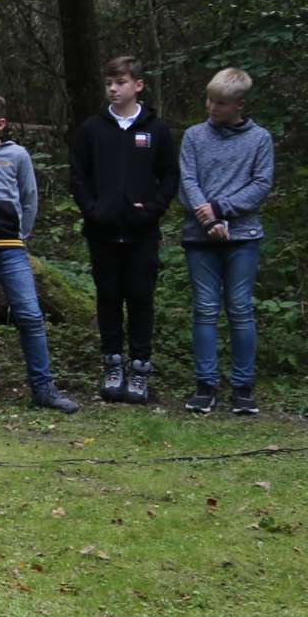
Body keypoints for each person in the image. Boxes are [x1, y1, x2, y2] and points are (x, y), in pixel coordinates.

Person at [0, 92, 79, 415]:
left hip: (10, 247)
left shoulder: (17, 156)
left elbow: (29, 197)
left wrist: (21, 234)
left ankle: (43, 387)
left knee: (30, 315)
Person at [69, 56, 177, 404]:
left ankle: (140, 367)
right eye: (109, 83)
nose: (113, 89)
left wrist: (153, 210)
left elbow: (170, 175)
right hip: (102, 230)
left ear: (138, 85)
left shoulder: (155, 129)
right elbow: (78, 176)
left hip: (142, 232)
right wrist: (93, 209)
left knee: (141, 297)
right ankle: (112, 366)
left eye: (120, 82)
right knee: (109, 297)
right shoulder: (92, 129)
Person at [178, 68, 274, 415]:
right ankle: (205, 386)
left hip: (243, 236)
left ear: (238, 105)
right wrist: (208, 219)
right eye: (209, 100)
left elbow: (261, 184)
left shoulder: (259, 139)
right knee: (204, 309)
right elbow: (187, 180)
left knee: (240, 309)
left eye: (220, 103)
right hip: (200, 237)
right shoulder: (193, 136)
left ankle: (243, 388)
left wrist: (220, 209)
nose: (212, 107)